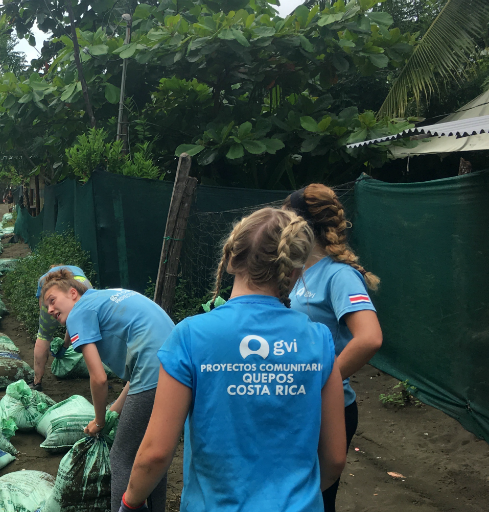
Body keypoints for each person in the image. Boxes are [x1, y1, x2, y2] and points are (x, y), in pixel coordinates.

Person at [119, 208, 347, 512]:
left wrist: (130, 503)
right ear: (294, 272)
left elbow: (157, 453)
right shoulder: (318, 339)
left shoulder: (190, 336)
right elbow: (334, 458)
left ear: (229, 260)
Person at [41, 271, 175, 512]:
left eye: (52, 300)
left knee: (121, 456)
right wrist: (114, 411)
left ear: (73, 293)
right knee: (153, 452)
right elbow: (136, 377)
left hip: (154, 369)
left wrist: (100, 421)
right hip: (176, 366)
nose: (50, 310)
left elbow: (99, 379)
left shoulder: (79, 312)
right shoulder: (102, 299)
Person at [285, 184, 383, 512]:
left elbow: (369, 338)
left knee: (316, 501)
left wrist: (322, 381)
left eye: (286, 218)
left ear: (302, 225)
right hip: (300, 404)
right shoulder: (300, 274)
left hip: (329, 408)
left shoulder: (339, 276)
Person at [31, 264, 93, 391]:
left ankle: (37, 382)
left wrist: (50, 335)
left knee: (43, 335)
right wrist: (65, 345)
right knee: (90, 335)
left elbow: (43, 307)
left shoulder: (44, 281)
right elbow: (72, 321)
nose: (50, 310)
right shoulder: (77, 270)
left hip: (64, 290)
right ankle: (98, 375)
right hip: (85, 286)